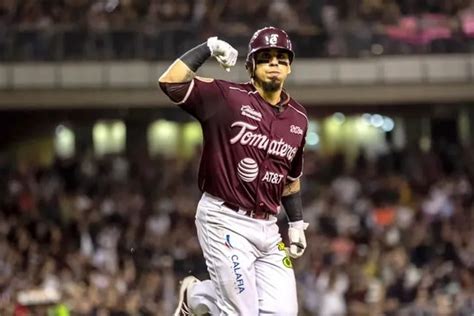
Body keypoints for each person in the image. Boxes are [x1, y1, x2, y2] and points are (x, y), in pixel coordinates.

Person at [159, 26, 309, 316]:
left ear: (290, 66)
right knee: (242, 313)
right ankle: (197, 295)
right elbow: (170, 82)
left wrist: (296, 224)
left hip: (268, 227)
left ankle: (199, 293)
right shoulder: (226, 97)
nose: (274, 63)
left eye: (281, 57)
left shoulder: (299, 118)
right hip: (224, 218)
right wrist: (208, 48)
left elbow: (291, 179)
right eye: (265, 57)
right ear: (250, 65)